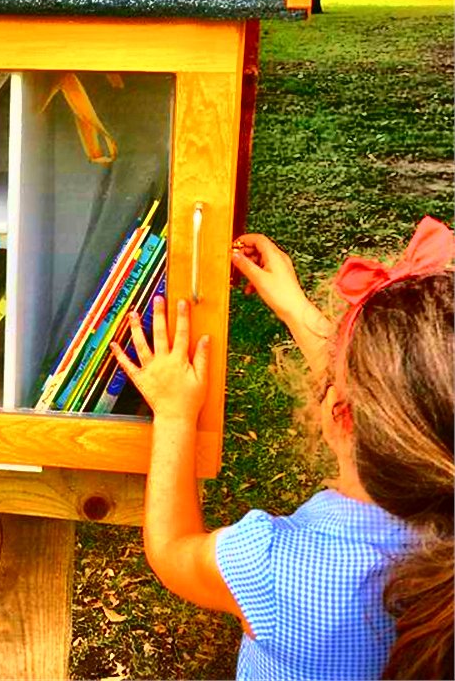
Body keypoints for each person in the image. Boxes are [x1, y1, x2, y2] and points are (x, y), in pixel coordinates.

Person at [110, 216, 454, 680]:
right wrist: (293, 306)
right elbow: (391, 395)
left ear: (340, 414)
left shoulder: (274, 565)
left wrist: (173, 413)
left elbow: (173, 551)